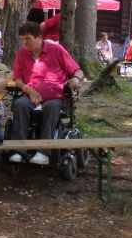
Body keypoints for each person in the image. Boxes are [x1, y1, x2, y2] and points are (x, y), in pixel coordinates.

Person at [8, 22, 84, 165]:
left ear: (39, 37)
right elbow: (17, 79)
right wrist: (27, 89)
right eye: (22, 39)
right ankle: (18, 150)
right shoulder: (21, 54)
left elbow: (77, 71)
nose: (25, 42)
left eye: (28, 38)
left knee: (51, 107)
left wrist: (75, 79)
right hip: (31, 94)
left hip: (55, 95)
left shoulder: (56, 50)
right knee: (19, 104)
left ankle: (43, 152)